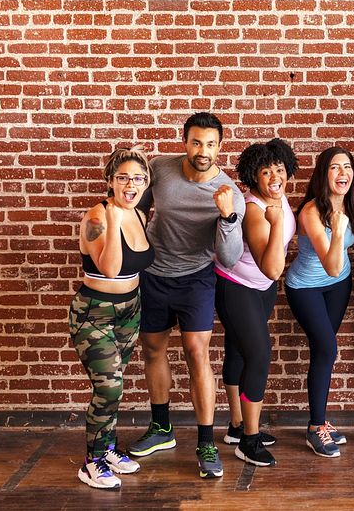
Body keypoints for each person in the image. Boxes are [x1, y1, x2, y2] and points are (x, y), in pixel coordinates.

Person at [127, 112, 244, 480]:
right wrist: (138, 232)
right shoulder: (160, 169)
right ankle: (162, 428)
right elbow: (136, 204)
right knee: (152, 349)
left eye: (210, 144)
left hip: (196, 279)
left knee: (197, 354)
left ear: (220, 147)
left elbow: (228, 258)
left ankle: (206, 442)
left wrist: (227, 219)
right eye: (196, 142)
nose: (202, 150)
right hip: (154, 276)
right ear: (185, 142)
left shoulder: (229, 194)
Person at [69, 147, 155, 489]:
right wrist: (116, 218)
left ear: (146, 182)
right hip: (95, 313)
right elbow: (110, 268)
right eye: (123, 178)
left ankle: (106, 450)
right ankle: (91, 462)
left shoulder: (141, 215)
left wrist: (126, 216)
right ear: (110, 182)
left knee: (114, 388)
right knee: (109, 387)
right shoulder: (97, 217)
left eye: (138, 178)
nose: (130, 184)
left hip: (129, 310)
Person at [214, 139, 298, 467]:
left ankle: (236, 427)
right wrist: (276, 223)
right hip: (237, 287)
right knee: (259, 356)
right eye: (266, 171)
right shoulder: (254, 210)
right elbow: (273, 268)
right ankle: (249, 440)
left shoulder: (277, 197)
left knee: (238, 351)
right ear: (254, 177)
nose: (275, 177)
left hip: (261, 289)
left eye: (280, 169)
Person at [285, 146, 354, 458]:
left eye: (347, 167)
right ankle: (314, 427)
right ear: (324, 174)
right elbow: (331, 262)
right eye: (335, 167)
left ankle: (320, 420)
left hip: (339, 286)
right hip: (306, 288)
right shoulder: (310, 211)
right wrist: (338, 229)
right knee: (327, 350)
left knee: (324, 352)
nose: (343, 173)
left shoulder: (352, 205)